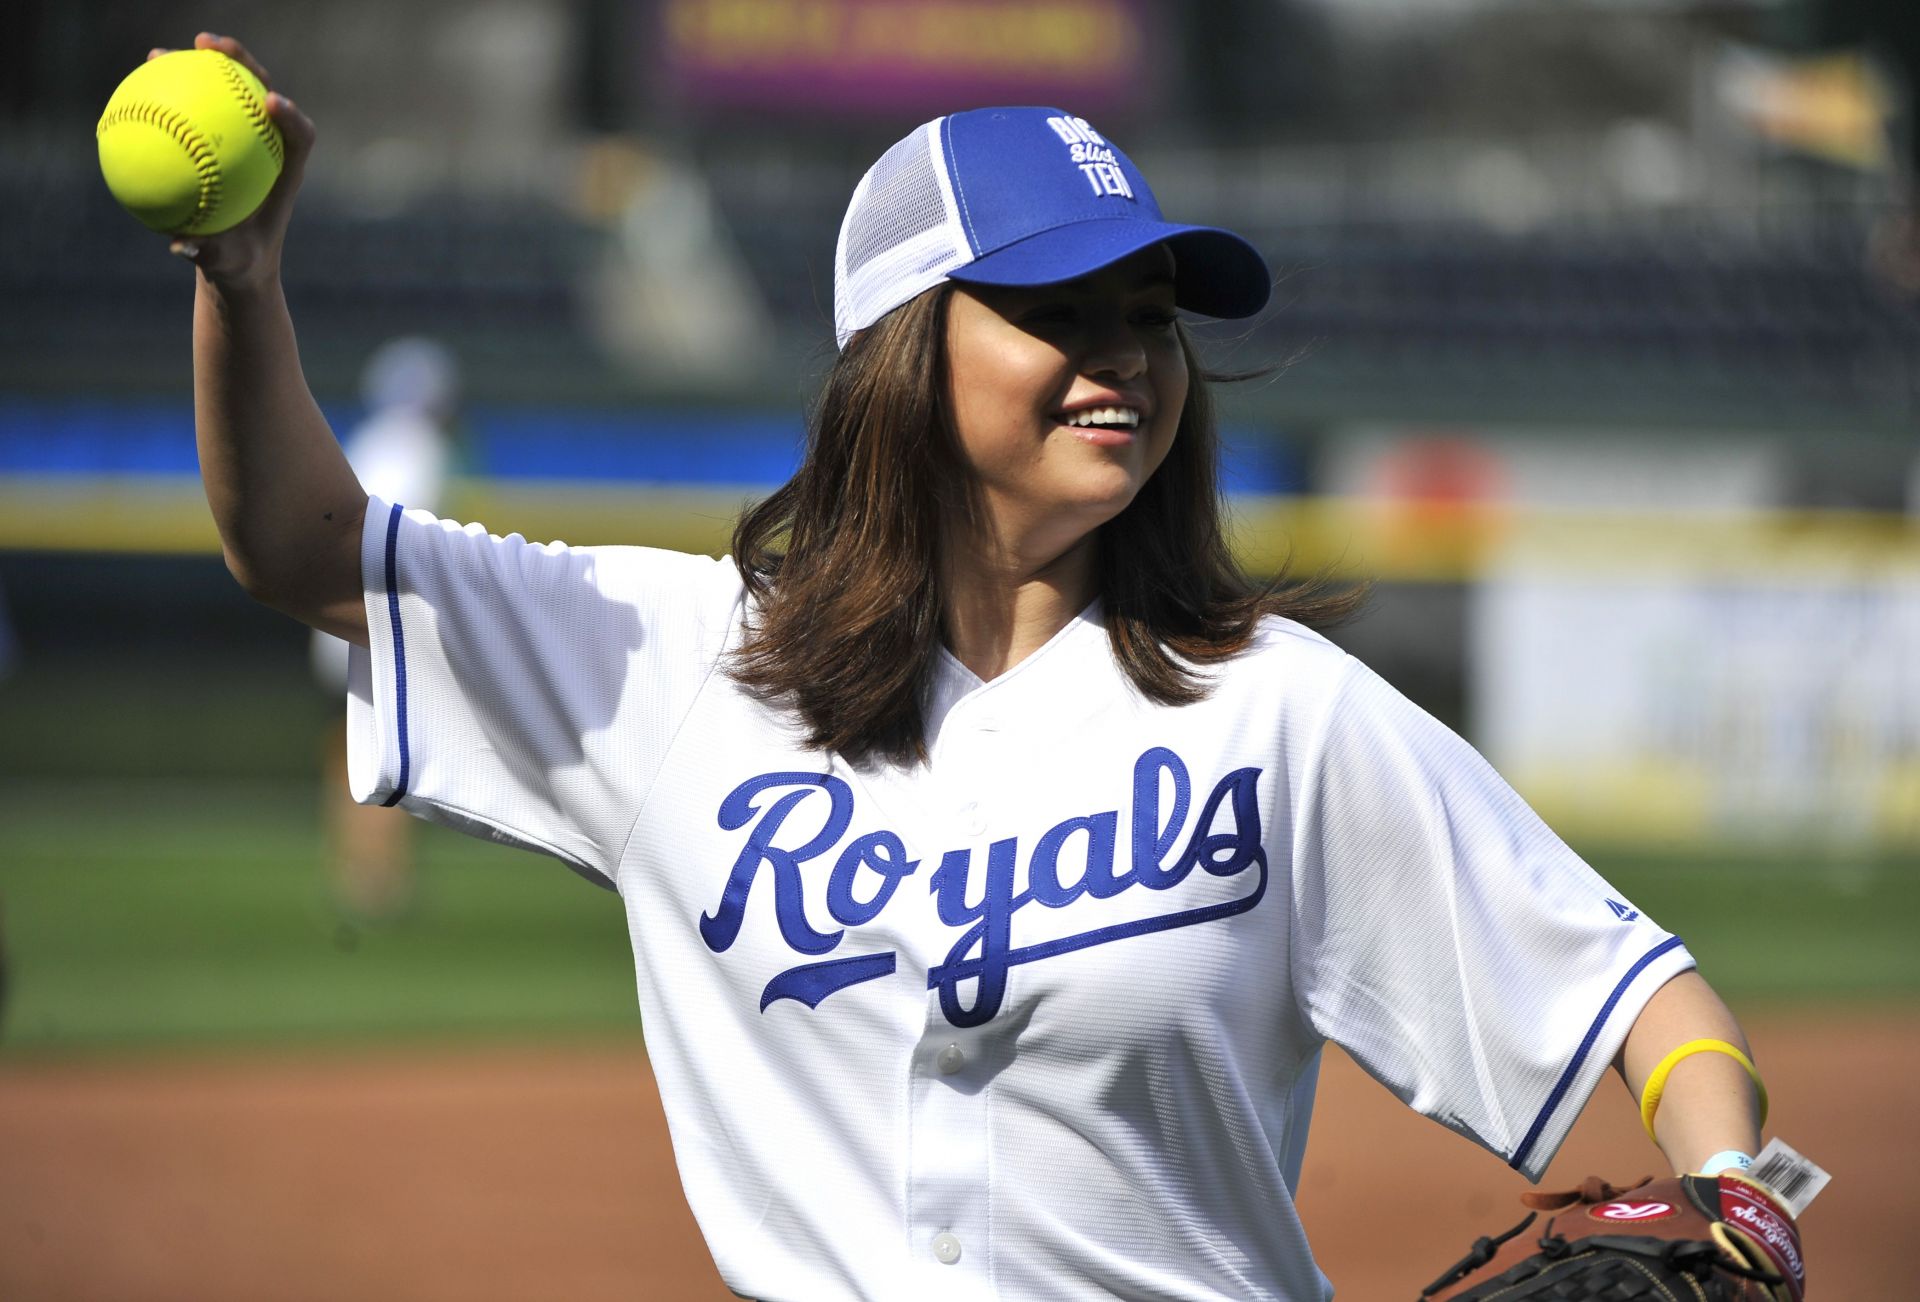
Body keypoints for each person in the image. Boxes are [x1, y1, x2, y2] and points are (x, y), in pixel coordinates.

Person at [168, 32, 1784, 1302]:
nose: (1124, 356)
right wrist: (240, 284)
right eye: (1055, 306)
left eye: (1147, 312)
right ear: (901, 350)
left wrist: (1733, 1203)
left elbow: (1638, 997)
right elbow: (309, 550)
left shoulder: (1273, 708)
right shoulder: (677, 670)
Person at [309, 336, 460, 922]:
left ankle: (357, 873)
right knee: (390, 753)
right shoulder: (422, 448)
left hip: (334, 615)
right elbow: (408, 542)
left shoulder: (366, 439)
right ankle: (380, 881)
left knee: (348, 752)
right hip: (381, 617)